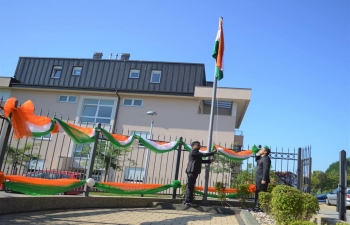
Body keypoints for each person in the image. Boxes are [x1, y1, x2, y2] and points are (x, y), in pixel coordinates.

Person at [184, 141, 217, 207]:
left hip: (194, 170)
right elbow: (204, 155)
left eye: (199, 145)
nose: (200, 146)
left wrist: (209, 161)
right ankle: (188, 201)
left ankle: (187, 201)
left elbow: (201, 161)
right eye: (198, 145)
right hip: (191, 170)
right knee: (190, 186)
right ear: (194, 146)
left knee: (190, 186)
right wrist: (213, 152)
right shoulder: (193, 151)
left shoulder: (196, 153)